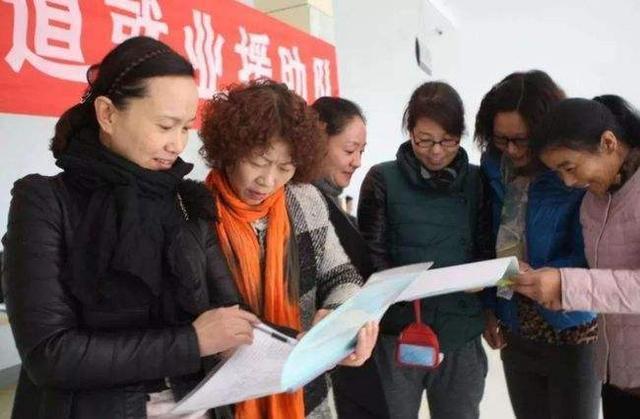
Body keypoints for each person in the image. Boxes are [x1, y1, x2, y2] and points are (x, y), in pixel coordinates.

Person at [1, 36, 259, 419]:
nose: (177, 145)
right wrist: (191, 342)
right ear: (107, 114)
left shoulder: (185, 200)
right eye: (165, 125)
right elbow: (49, 354)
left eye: (186, 128)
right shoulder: (45, 201)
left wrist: (306, 345)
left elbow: (229, 312)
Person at [198, 79, 378, 419]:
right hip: (224, 402)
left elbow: (342, 276)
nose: (268, 181)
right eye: (258, 161)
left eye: (285, 167)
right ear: (229, 149)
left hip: (304, 395)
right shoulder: (195, 212)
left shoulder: (304, 200)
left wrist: (339, 317)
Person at [358, 81, 492, 419]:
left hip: (460, 332)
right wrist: (406, 289)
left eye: (447, 140)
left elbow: (487, 248)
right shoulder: (382, 179)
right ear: (410, 132)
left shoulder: (478, 182)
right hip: (397, 332)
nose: (436, 152)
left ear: (461, 134)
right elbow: (372, 255)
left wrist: (486, 291)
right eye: (424, 140)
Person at [475, 70, 600, 419]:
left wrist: (552, 280)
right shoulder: (494, 167)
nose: (512, 150)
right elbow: (488, 238)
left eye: (521, 140)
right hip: (516, 323)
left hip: (571, 327)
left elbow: (596, 256)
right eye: (502, 139)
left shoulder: (572, 174)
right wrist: (490, 307)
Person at [514, 95, 640, 418]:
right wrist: (549, 286)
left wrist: (566, 285)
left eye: (570, 167)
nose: (569, 182)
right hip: (615, 374)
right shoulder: (591, 204)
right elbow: (603, 281)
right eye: (559, 172)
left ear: (608, 143)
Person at [311, 96, 389, 418]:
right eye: (349, 150)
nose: (356, 162)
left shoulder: (335, 207)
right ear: (317, 140)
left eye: (361, 152)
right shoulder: (305, 206)